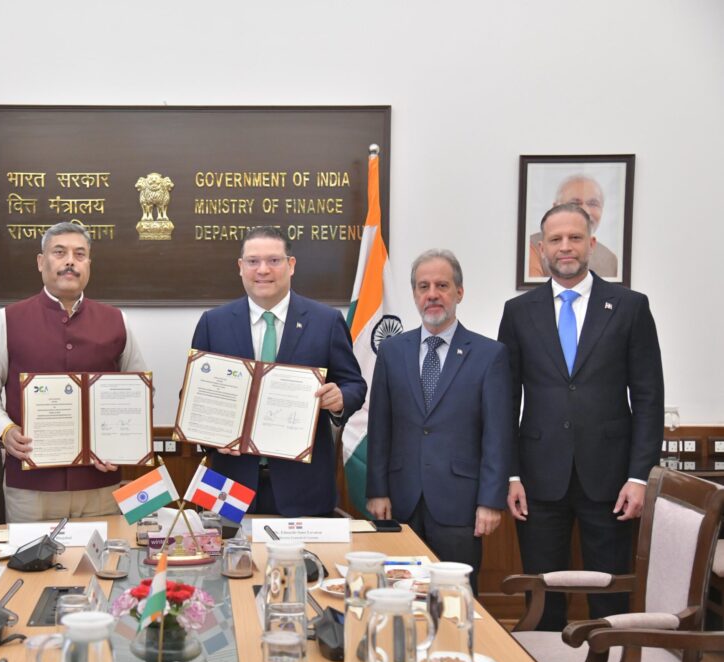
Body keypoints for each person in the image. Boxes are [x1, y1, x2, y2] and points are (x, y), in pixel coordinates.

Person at [499, 203, 664, 630]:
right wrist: (511, 474)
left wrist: (640, 477)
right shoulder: (518, 312)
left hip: (612, 481)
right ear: (541, 250)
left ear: (591, 244)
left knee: (610, 596)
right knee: (543, 593)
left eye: (574, 237)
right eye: (555, 239)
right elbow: (505, 399)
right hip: (537, 478)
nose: (565, 247)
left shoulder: (629, 307)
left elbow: (648, 397)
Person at [0, 222, 148, 522]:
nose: (70, 261)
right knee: (32, 567)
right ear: (41, 262)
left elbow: (140, 392)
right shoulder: (7, 320)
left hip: (100, 483)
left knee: (98, 567)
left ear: (89, 264)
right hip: (31, 487)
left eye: (80, 254)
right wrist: (5, 430)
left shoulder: (117, 320)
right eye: (59, 252)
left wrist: (122, 444)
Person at [190, 226, 366, 516]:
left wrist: (340, 399)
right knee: (229, 560)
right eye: (253, 261)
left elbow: (354, 385)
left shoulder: (326, 322)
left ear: (291, 265)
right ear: (240, 267)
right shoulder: (213, 323)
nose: (263, 270)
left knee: (302, 561)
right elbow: (193, 396)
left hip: (305, 485)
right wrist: (210, 435)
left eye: (274, 260)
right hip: (227, 482)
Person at [365, 249, 511, 590]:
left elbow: (497, 436)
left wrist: (490, 500)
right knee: (398, 597)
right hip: (400, 501)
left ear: (459, 292)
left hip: (460, 504)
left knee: (455, 600)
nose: (432, 294)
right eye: (423, 286)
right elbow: (380, 426)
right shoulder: (392, 351)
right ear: (415, 294)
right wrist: (377, 489)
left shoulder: (489, 355)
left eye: (442, 285)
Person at [528, 175, 618, 279]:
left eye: (593, 203)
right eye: (574, 203)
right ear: (555, 208)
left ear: (591, 244)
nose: (586, 211)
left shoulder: (610, 259)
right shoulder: (531, 249)